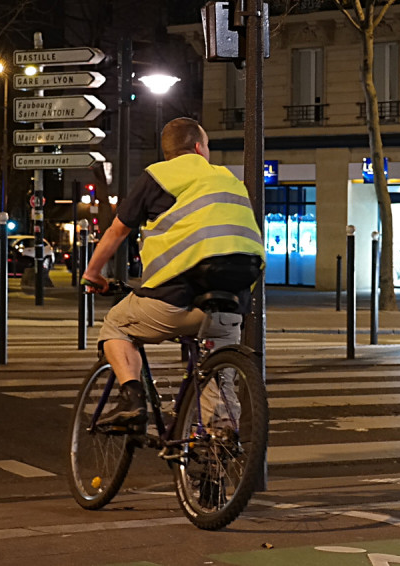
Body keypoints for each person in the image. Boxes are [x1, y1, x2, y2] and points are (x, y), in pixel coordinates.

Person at [82, 117, 264, 430]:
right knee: (218, 379)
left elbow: (116, 231)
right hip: (231, 303)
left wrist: (93, 274)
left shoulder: (158, 175)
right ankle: (221, 447)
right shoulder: (228, 178)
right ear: (198, 147)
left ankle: (131, 398)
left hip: (174, 299)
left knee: (115, 324)